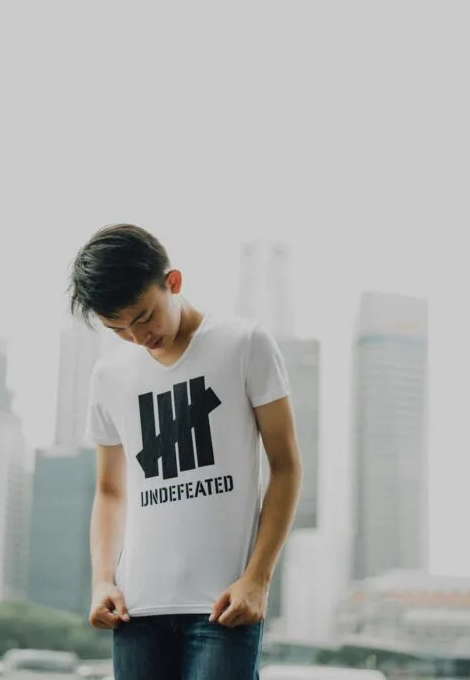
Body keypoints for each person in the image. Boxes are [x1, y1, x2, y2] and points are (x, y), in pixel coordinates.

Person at [67, 223, 303, 679]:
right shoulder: (109, 376)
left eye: (144, 317)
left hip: (222, 606)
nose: (138, 336)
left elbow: (286, 467)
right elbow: (110, 492)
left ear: (172, 282)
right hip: (135, 609)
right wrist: (102, 582)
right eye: (118, 329)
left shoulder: (244, 343)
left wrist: (257, 579)